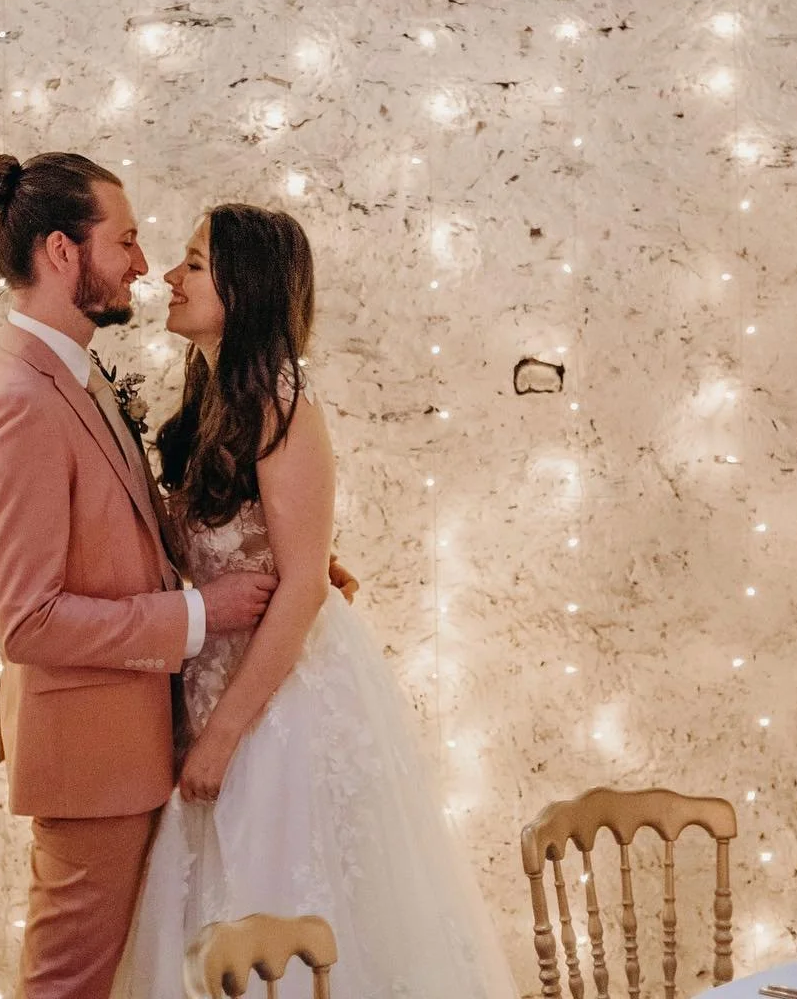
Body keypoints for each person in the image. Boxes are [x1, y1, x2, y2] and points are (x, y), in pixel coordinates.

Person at [114, 204, 518, 999]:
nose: (169, 276)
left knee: (288, 898)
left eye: (193, 264)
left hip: (282, 708)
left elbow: (300, 585)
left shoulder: (283, 406)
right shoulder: (211, 403)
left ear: (246, 286)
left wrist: (224, 736)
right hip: (216, 681)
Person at [0, 154, 279, 999]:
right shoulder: (19, 401)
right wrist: (199, 616)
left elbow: (122, 534)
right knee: (69, 987)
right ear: (63, 251)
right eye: (127, 240)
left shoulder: (79, 373)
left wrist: (260, 551)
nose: (143, 265)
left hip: (131, 748)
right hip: (88, 761)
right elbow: (28, 622)